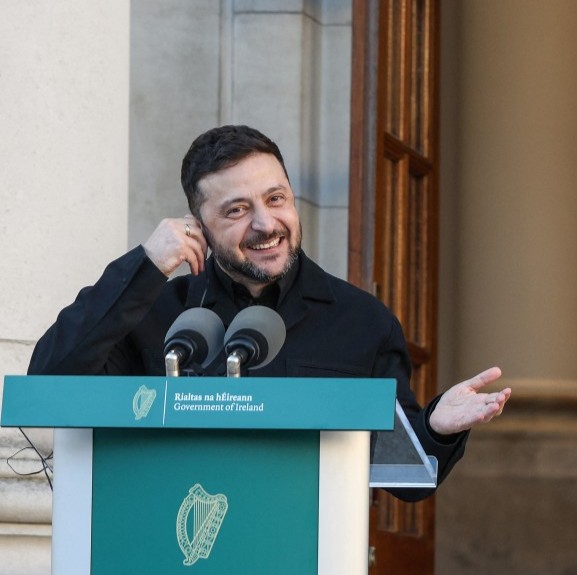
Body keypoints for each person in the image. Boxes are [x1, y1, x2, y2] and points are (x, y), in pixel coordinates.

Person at [28, 124, 511, 497]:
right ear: (199, 227)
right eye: (236, 211)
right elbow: (49, 383)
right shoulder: (157, 315)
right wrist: (146, 266)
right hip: (172, 570)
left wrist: (434, 428)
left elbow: (401, 481)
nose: (265, 224)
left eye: (276, 199)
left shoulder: (362, 321)